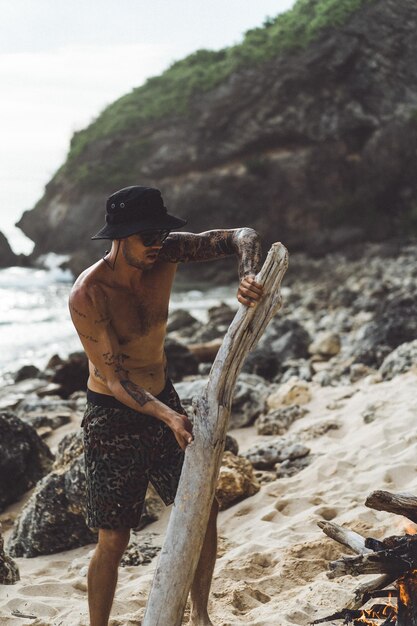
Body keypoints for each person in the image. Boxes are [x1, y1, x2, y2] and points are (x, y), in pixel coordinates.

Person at [69, 185, 264, 626]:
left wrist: (248, 276)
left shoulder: (167, 252)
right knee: (114, 538)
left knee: (202, 506)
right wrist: (168, 415)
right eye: (147, 237)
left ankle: (200, 615)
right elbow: (115, 379)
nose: (157, 244)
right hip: (113, 417)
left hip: (164, 398)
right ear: (120, 237)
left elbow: (244, 235)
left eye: (160, 234)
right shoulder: (89, 294)